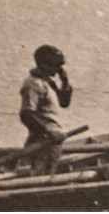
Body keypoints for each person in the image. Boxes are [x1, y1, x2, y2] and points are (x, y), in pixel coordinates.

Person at [19, 44, 74, 176]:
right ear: (44, 65)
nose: (58, 70)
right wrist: (48, 132)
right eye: (56, 66)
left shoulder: (48, 82)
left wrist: (65, 82)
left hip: (52, 140)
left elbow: (64, 103)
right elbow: (26, 114)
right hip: (43, 140)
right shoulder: (33, 84)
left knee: (48, 176)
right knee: (41, 178)